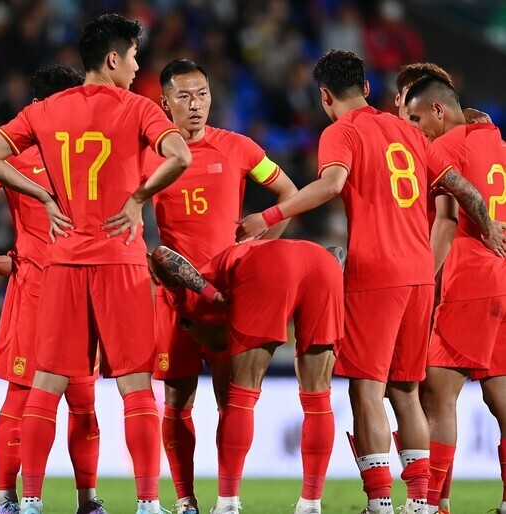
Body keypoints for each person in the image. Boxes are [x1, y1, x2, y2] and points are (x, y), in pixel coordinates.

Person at [236, 49, 505, 514]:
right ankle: (420, 504)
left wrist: (270, 213)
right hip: (422, 276)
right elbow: (462, 189)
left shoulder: (341, 131)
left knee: (367, 390)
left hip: (375, 275)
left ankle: (381, 501)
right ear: (365, 88)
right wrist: (490, 228)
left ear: (324, 97)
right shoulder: (410, 131)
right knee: (407, 392)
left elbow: (333, 182)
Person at [0, 13, 191, 514]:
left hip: (63, 264)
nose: (138, 67)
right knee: (136, 386)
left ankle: (28, 502)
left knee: (45, 385)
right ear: (113, 58)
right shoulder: (138, 108)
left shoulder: (46, 110)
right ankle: (147, 504)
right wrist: (138, 198)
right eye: (134, 57)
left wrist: (43, 196)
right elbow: (180, 156)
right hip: (120, 261)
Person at [141, 58, 297, 514]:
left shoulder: (239, 148)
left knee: (232, 401)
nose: (196, 105)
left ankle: (227, 501)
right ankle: (186, 502)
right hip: (175, 297)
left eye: (203, 94)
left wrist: (260, 252)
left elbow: (288, 195)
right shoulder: (151, 153)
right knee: (176, 402)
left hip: (229, 299)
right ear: (164, 102)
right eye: (185, 96)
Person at [147, 240, 343, 514]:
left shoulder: (185, 301)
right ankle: (310, 504)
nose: (205, 349)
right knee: (317, 396)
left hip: (273, 262)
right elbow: (337, 252)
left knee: (240, 393)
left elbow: (161, 254)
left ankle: (227, 505)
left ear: (189, 326)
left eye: (197, 340)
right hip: (323, 260)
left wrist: (211, 294)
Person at [0, 64, 104, 514]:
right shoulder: (12, 151)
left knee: (83, 397)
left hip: (81, 284)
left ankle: (87, 499)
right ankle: (8, 497)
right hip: (35, 285)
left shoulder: (87, 147)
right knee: (23, 394)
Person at [404, 76, 506, 514]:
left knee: (436, 391)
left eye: (416, 117)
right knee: (501, 396)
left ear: (438, 110)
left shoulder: (444, 147)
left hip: (474, 278)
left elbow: (446, 222)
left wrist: (420, 279)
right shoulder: (496, 141)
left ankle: (433, 503)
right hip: (501, 277)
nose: (415, 128)